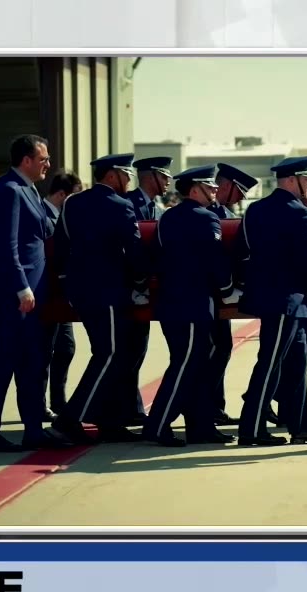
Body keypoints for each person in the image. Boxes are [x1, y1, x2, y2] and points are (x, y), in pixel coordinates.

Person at [0, 135, 72, 453]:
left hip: (31, 297)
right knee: (3, 364)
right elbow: (5, 245)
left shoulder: (30, 190)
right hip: (14, 296)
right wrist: (22, 287)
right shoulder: (8, 191)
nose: (48, 165)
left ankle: (34, 431)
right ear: (26, 160)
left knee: (30, 363)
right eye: (43, 159)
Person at [51, 153, 145, 445]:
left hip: (80, 292)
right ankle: (69, 419)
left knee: (112, 353)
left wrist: (67, 284)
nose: (129, 181)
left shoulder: (72, 203)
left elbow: (60, 246)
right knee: (111, 354)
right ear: (114, 175)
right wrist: (142, 282)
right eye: (126, 175)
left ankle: (111, 423)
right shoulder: (120, 206)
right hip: (109, 292)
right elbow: (135, 252)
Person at [143, 166, 240, 446]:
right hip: (193, 303)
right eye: (209, 186)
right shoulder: (206, 219)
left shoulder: (168, 218)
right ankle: (158, 424)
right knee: (187, 365)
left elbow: (158, 258)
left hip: (170, 302)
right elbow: (216, 261)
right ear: (195, 189)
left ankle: (201, 427)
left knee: (193, 364)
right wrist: (227, 290)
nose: (214, 190)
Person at [235, 156, 307, 447]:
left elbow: (242, 250)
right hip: (288, 300)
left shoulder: (254, 210)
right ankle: (251, 429)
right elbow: (305, 259)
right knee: (271, 364)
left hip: (273, 298)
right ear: (292, 180)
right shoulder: (299, 214)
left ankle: (300, 425)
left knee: (297, 364)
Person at [122, 156, 172, 425]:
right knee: (128, 351)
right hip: (131, 292)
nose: (167, 182)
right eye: (163, 176)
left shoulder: (154, 206)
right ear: (150, 176)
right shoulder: (131, 204)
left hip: (145, 292)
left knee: (137, 351)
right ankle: (123, 410)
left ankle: (132, 408)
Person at [206, 162, 257, 426]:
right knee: (213, 349)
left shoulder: (222, 212)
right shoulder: (211, 213)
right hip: (211, 293)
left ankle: (215, 407)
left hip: (220, 294)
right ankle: (207, 408)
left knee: (221, 348)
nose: (241, 199)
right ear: (225, 186)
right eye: (238, 191)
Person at [39, 171, 84, 420]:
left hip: (62, 296)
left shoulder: (63, 217)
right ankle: (41, 404)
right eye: (75, 197)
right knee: (44, 352)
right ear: (61, 195)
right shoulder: (43, 216)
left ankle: (59, 402)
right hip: (46, 294)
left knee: (66, 347)